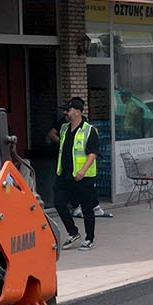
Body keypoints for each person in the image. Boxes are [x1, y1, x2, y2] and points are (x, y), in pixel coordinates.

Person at [53, 97, 100, 248]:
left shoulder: (89, 130)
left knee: (87, 208)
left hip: (83, 176)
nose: (66, 112)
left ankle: (89, 238)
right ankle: (73, 232)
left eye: (69, 110)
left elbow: (93, 153)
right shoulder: (64, 128)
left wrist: (83, 171)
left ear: (78, 112)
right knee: (59, 203)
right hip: (65, 174)